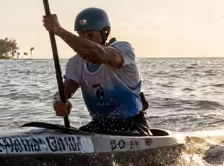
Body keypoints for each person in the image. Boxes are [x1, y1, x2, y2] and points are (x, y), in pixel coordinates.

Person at [42, 7, 151, 135]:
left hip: (133, 126)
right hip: (100, 125)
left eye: (90, 35)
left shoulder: (124, 50)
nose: (84, 40)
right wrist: (59, 102)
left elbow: (98, 55)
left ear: (106, 32)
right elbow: (65, 90)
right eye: (80, 36)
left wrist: (59, 31)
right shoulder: (75, 62)